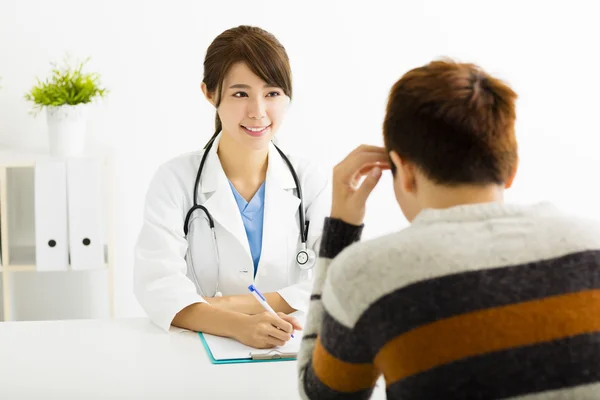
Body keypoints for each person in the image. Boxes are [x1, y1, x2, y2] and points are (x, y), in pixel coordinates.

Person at [297, 59, 600, 399]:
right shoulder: (592, 245)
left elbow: (322, 395)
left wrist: (341, 229)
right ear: (511, 168)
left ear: (404, 171)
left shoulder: (369, 272)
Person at [133, 25, 330, 349]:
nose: (258, 111)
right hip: (197, 357)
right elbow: (156, 285)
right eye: (240, 93)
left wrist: (223, 305)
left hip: (290, 355)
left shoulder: (310, 180)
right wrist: (237, 325)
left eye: (272, 93)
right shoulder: (175, 181)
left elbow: (333, 281)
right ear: (210, 94)